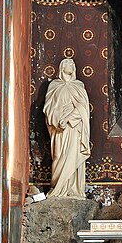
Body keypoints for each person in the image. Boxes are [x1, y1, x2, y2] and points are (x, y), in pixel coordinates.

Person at [44, 58, 91, 198]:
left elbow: (83, 107)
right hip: (59, 128)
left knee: (73, 155)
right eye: (67, 63)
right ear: (62, 67)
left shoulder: (79, 85)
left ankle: (74, 189)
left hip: (74, 127)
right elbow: (48, 107)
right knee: (59, 155)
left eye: (73, 64)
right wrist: (58, 120)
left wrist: (70, 118)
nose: (71, 65)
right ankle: (59, 187)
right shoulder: (54, 85)